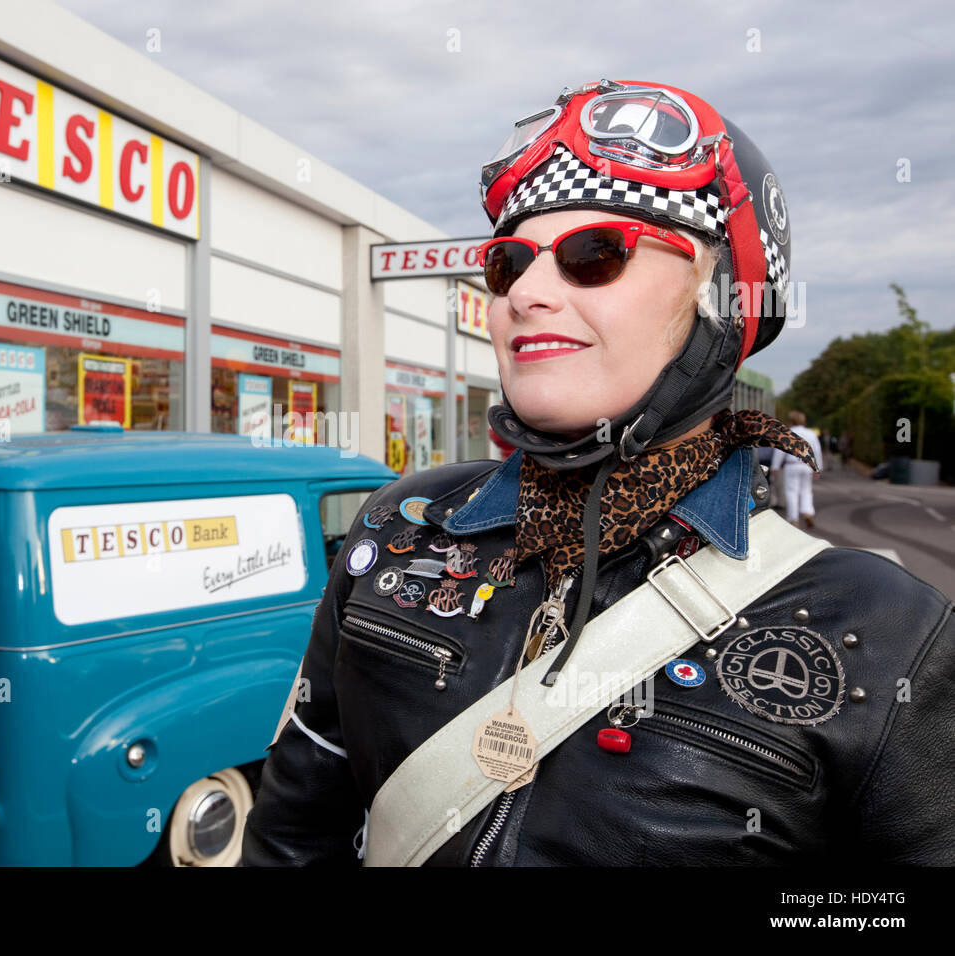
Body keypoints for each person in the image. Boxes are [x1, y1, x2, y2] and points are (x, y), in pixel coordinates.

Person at [243, 79, 955, 865]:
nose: (529, 294)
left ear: (721, 301)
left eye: (595, 255)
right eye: (508, 264)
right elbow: (292, 837)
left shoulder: (888, 630)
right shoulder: (399, 529)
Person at [771, 410, 822, 529]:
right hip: (807, 465)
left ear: (791, 421)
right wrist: (818, 467)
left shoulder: (787, 433)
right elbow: (817, 451)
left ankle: (793, 518)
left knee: (791, 491)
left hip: (792, 465)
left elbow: (780, 450)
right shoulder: (811, 434)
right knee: (806, 490)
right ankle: (807, 512)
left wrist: (775, 466)